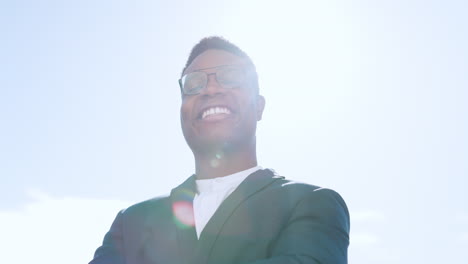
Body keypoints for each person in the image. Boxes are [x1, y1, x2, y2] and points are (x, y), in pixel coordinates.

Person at [89, 36, 350, 264]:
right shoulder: (132, 221)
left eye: (231, 78)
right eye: (194, 83)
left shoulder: (311, 204)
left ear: (259, 107)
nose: (211, 89)